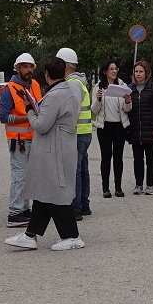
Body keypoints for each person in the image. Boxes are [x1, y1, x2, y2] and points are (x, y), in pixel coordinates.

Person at [4, 56, 84, 251]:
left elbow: (40, 125)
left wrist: (29, 108)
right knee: (44, 192)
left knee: (56, 193)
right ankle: (30, 235)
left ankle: (72, 236)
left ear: (47, 74)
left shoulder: (55, 94)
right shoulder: (72, 88)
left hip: (54, 149)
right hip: (61, 145)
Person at [0, 53, 41, 227]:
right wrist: (30, 117)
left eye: (31, 67)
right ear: (17, 69)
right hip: (19, 141)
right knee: (19, 176)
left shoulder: (35, 85)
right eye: (25, 67)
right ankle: (15, 212)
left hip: (33, 138)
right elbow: (4, 117)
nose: (29, 70)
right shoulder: (9, 89)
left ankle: (24, 208)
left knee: (28, 177)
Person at [57, 48, 94, 219]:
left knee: (75, 171)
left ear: (65, 66)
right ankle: (84, 205)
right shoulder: (80, 81)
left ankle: (76, 208)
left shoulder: (72, 83)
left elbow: (71, 109)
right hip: (84, 132)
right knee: (83, 169)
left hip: (77, 133)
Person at [91, 59, 131, 198]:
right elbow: (94, 110)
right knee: (106, 157)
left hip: (120, 126)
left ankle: (118, 188)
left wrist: (128, 101)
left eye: (116, 69)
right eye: (112, 69)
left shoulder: (122, 86)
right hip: (104, 127)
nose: (114, 71)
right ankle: (105, 188)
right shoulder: (98, 87)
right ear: (105, 71)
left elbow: (127, 109)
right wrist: (98, 99)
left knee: (118, 157)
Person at [127, 60, 153, 195]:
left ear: (146, 73)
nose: (138, 74)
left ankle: (151, 185)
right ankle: (138, 184)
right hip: (135, 129)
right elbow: (126, 109)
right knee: (137, 159)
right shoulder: (129, 89)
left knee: (151, 159)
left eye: (141, 71)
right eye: (136, 71)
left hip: (150, 129)